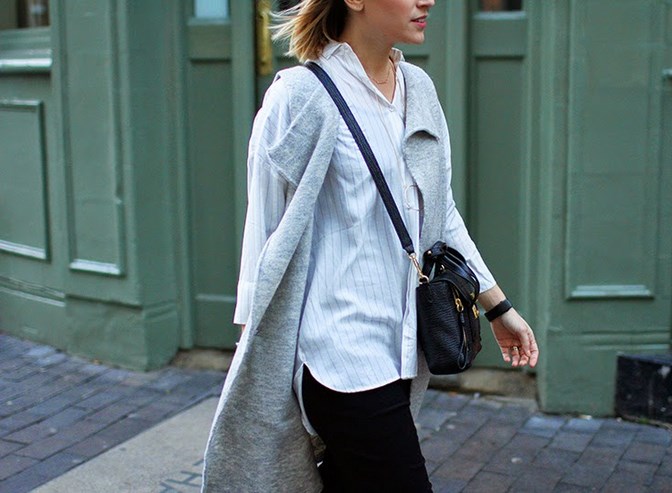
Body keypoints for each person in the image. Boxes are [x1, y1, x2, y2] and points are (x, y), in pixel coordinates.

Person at [201, 0, 539, 491]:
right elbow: (265, 236)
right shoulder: (299, 95)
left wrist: (497, 306)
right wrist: (258, 360)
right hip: (338, 354)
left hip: (404, 347)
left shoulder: (418, 89)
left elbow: (440, 213)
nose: (428, 1)